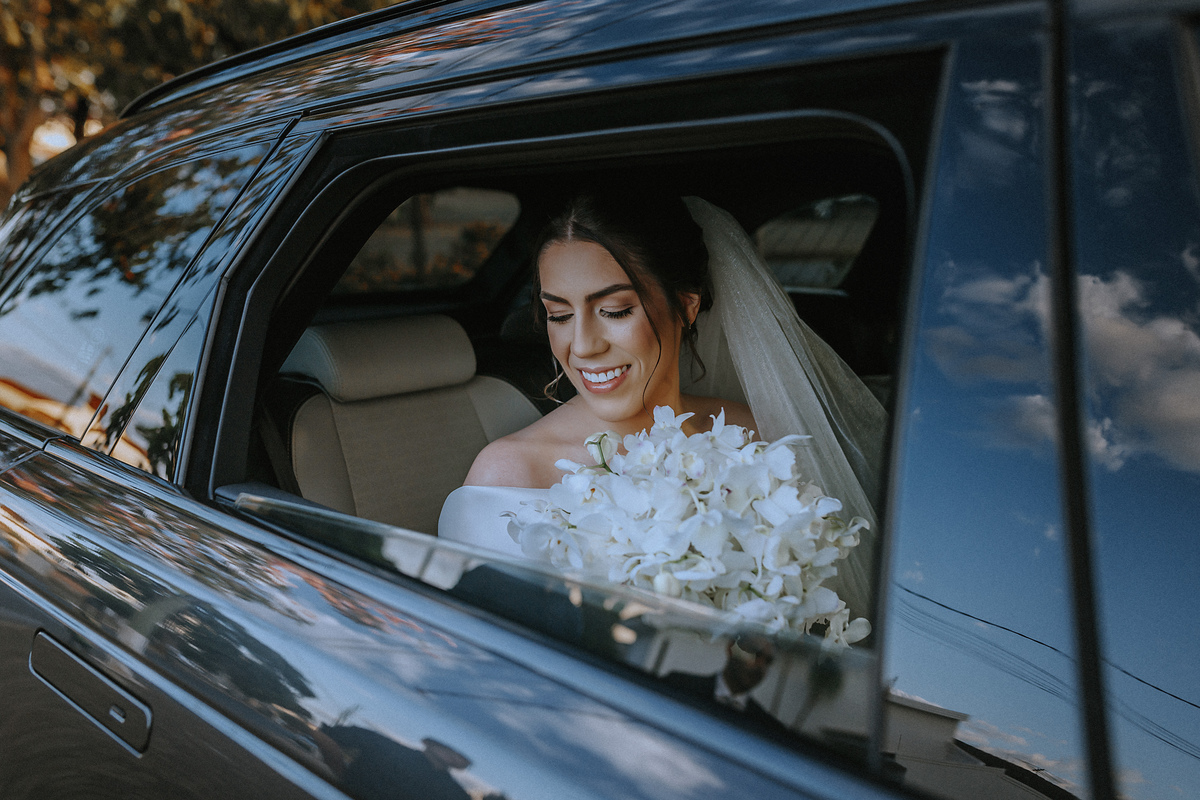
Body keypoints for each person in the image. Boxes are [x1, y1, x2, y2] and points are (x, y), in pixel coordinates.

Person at [439, 190, 887, 618]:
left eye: (614, 311)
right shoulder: (508, 475)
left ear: (686, 307)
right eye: (559, 316)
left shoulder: (754, 435)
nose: (581, 345)